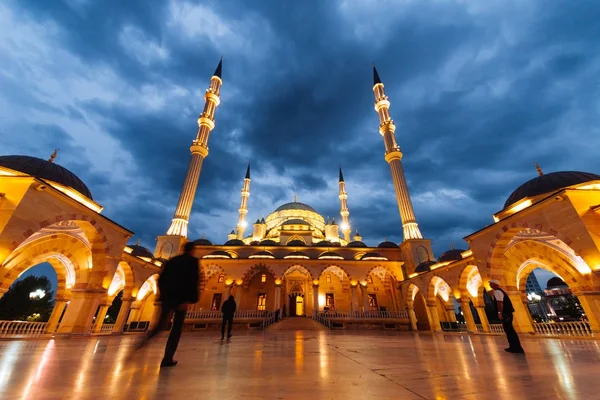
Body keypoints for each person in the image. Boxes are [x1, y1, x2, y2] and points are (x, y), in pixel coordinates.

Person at [137, 242, 199, 367]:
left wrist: (163, 296)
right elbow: (193, 281)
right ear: (192, 250)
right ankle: (168, 357)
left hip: (168, 299)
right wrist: (188, 299)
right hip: (181, 300)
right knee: (176, 328)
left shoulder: (173, 260)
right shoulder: (192, 262)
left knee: (160, 325)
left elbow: (161, 278)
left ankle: (142, 342)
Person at [489, 279, 525, 354]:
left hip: (505, 313)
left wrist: (499, 313)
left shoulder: (497, 292)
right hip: (507, 313)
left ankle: (516, 348)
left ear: (495, 284)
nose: (490, 285)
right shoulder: (500, 291)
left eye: (491, 283)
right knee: (509, 330)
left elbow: (500, 303)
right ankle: (513, 347)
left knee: (509, 330)